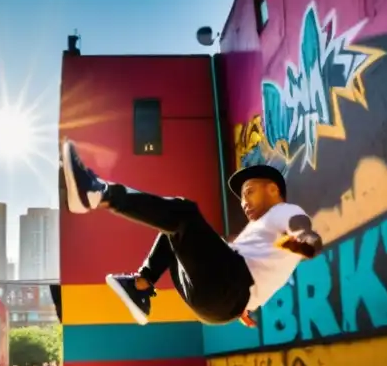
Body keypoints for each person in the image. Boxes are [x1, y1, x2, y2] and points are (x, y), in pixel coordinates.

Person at [60, 139, 323, 327]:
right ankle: (140, 285)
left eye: (249, 193)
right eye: (242, 198)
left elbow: (302, 227)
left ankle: (99, 193)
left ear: (274, 190)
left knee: (184, 213)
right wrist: (247, 305)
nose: (244, 203)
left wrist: (306, 240)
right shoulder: (259, 230)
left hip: (228, 289)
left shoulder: (285, 211)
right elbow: (265, 270)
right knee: (173, 228)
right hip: (217, 304)